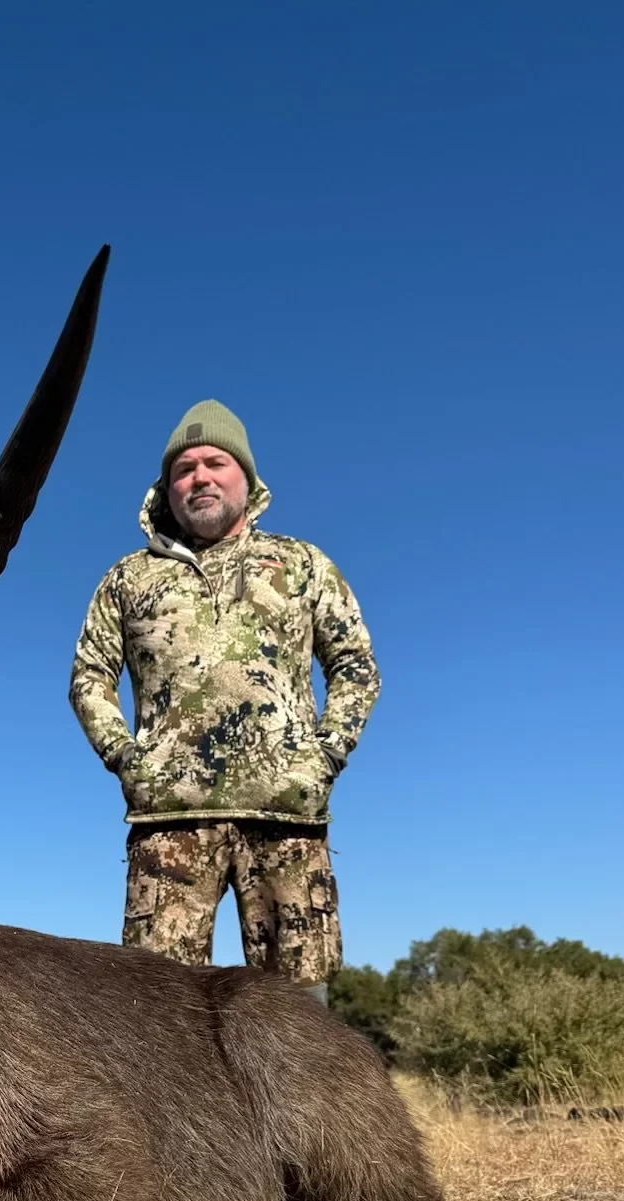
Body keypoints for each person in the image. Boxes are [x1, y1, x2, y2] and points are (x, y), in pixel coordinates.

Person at [69, 400, 379, 1000]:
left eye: (216, 462)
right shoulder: (128, 578)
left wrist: (323, 759)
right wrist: (131, 763)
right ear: (166, 487)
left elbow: (356, 667)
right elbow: (88, 677)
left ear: (247, 478)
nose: (200, 477)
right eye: (184, 468)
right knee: (160, 1010)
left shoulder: (302, 564)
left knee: (301, 1015)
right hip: (169, 822)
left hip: (286, 817)